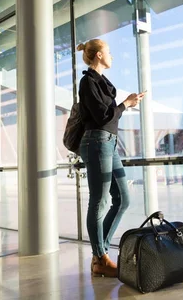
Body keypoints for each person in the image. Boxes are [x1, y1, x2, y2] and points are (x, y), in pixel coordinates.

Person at [77, 39, 144, 278]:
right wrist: (126, 104)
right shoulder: (87, 82)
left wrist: (128, 103)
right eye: (109, 52)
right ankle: (100, 257)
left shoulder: (104, 83)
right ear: (97, 55)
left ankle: (100, 253)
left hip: (109, 143)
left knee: (123, 199)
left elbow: (109, 118)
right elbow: (104, 116)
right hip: (96, 142)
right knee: (99, 200)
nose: (112, 56)